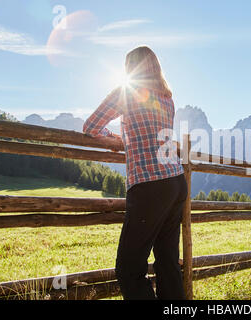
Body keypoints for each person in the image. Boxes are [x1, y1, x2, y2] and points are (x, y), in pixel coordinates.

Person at [83, 46, 187, 300]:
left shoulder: (126, 92)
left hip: (149, 185)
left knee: (129, 269)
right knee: (167, 263)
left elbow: (91, 126)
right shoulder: (167, 98)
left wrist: (112, 136)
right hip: (175, 182)